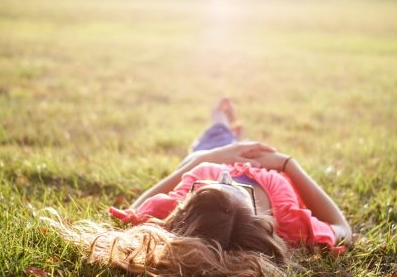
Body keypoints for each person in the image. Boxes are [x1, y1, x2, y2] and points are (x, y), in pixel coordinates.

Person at [44, 98, 352, 277]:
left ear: (183, 211)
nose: (225, 176)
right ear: (260, 222)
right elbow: (342, 228)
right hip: (266, 162)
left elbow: (135, 210)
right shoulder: (286, 222)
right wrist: (287, 164)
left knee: (214, 134)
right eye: (233, 187)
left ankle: (221, 119)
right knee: (237, 138)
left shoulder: (177, 206)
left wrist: (207, 159)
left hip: (211, 152)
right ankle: (228, 125)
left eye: (211, 184)